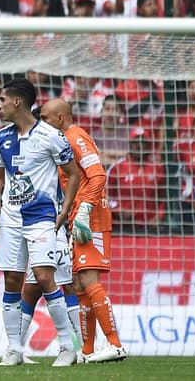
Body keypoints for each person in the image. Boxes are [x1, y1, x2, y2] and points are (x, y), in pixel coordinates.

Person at [0, 78, 82, 367]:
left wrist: (65, 210)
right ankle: (14, 349)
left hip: (42, 218)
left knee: (43, 277)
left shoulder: (51, 135)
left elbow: (73, 173)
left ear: (17, 102)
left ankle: (67, 347)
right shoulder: (1, 136)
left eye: (2, 99)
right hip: (11, 219)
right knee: (12, 280)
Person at [40, 99, 126, 363]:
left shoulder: (75, 137)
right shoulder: (61, 142)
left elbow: (98, 174)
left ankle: (115, 344)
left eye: (45, 118)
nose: (42, 124)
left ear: (61, 118)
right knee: (78, 284)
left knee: (89, 280)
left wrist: (86, 209)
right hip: (77, 216)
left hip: (92, 216)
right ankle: (87, 350)